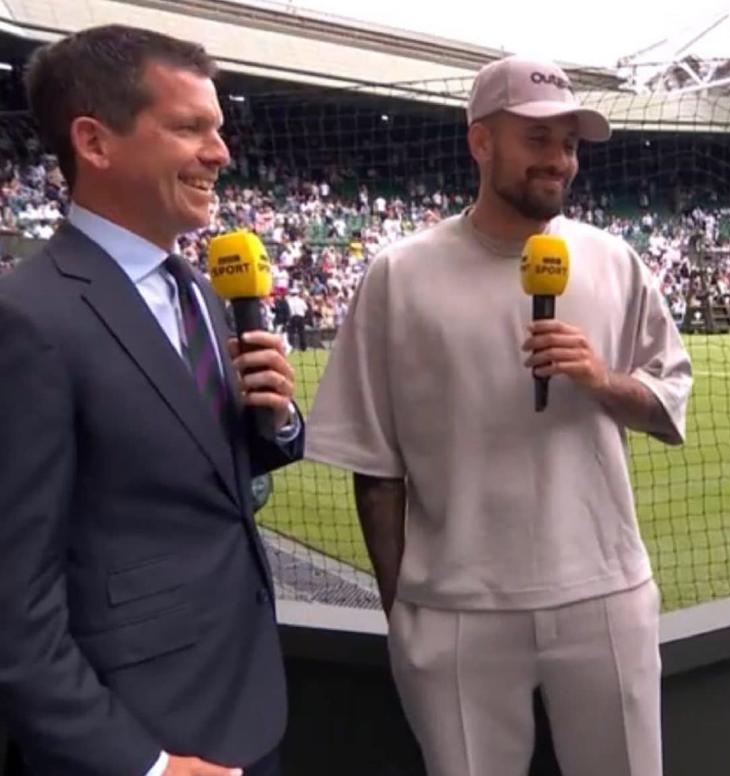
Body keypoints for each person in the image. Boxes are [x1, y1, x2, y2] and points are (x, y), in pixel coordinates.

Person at [306, 55, 692, 776]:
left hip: (604, 591)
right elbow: (375, 467)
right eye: (538, 139)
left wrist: (600, 379)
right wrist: (406, 612)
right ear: (482, 143)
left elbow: (668, 399)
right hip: (453, 607)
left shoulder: (615, 261)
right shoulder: (398, 273)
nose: (561, 161)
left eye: (570, 144)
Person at [0, 25, 303, 776]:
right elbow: (12, 606)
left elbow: (197, 465)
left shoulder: (198, 289)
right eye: (188, 127)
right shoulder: (27, 318)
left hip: (247, 701)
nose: (221, 152)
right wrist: (146, 766)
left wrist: (280, 419)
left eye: (219, 129)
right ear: (95, 142)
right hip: (143, 734)